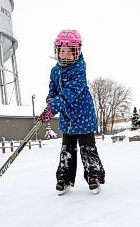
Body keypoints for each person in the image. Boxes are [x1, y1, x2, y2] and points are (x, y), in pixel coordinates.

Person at [38, 29, 105, 195]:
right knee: (67, 149)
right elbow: (53, 90)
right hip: (67, 118)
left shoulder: (79, 70)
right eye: (62, 51)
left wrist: (53, 108)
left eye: (70, 51)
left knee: (87, 148)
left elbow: (69, 93)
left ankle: (93, 176)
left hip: (84, 117)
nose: (65, 55)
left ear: (77, 52)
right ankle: (64, 178)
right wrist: (49, 102)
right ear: (57, 51)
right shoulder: (55, 71)